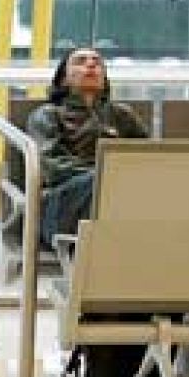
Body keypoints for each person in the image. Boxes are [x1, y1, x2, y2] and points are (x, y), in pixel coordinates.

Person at [24, 47, 149, 249]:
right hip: (62, 206)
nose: (91, 64)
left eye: (97, 62)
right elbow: (52, 168)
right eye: (80, 61)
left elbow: (149, 159)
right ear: (64, 79)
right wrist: (105, 176)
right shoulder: (48, 115)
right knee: (100, 184)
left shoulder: (122, 115)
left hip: (120, 200)